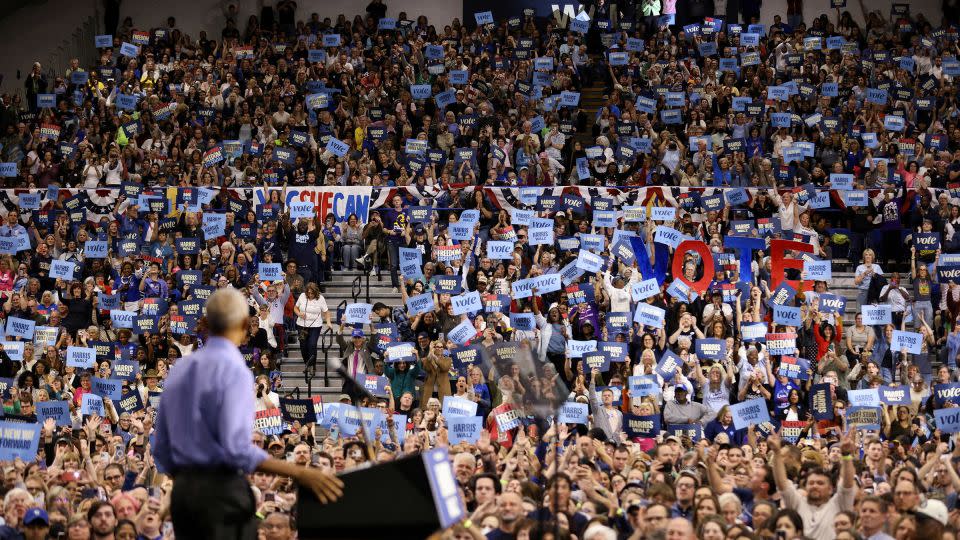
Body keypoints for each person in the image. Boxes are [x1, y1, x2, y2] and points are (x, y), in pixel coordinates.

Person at [153, 288, 342, 539]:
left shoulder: (179, 370)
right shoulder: (235, 369)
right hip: (221, 497)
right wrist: (300, 472)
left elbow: (161, 450)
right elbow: (236, 449)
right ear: (244, 323)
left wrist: (182, 487)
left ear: (205, 324)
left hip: (184, 499)